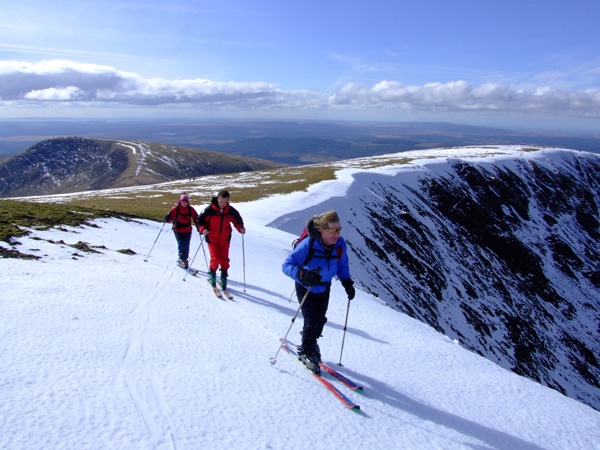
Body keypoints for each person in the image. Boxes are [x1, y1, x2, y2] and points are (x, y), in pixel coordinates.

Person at [282, 210, 355, 374]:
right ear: (322, 230)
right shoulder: (308, 244)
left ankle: (310, 341)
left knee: (320, 319)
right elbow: (287, 265)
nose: (337, 234)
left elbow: (342, 265)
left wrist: (347, 282)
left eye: (339, 230)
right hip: (305, 286)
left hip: (324, 286)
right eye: (333, 230)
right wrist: (302, 274)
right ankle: (306, 351)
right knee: (313, 319)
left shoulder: (340, 245)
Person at [198, 190, 246, 289]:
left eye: (225, 202)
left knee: (224, 258)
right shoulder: (209, 210)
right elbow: (199, 220)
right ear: (218, 199)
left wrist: (240, 227)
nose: (223, 204)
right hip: (212, 238)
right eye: (221, 202)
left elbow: (237, 220)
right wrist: (202, 229)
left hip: (225, 238)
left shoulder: (230, 210)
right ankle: (212, 273)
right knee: (216, 258)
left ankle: (224, 275)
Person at [165, 192, 199, 269]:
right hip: (177, 229)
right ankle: (182, 259)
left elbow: (196, 218)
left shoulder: (190, 209)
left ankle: (184, 259)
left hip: (187, 230)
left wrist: (198, 226)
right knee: (181, 243)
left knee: (186, 244)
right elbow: (170, 217)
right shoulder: (176, 209)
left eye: (186, 202)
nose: (184, 203)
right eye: (183, 202)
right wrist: (167, 218)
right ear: (180, 201)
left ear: (188, 202)